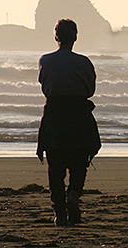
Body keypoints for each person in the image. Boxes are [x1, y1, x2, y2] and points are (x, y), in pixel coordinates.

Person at [37, 19, 101, 226]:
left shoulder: (45, 60)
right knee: (79, 160)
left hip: (55, 113)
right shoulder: (84, 62)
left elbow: (44, 85)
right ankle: (74, 193)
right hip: (78, 113)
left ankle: (59, 211)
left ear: (56, 37)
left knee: (55, 165)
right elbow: (90, 90)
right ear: (75, 37)